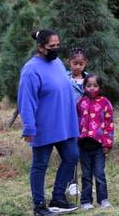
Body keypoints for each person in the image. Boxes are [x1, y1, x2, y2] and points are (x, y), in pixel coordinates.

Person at [18, 29, 79, 215]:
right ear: (41, 47)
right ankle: (39, 205)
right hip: (43, 127)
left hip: (64, 125)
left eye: (57, 45)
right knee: (40, 165)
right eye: (52, 46)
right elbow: (26, 100)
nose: (56, 49)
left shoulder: (58, 63)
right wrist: (29, 128)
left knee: (72, 156)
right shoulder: (30, 70)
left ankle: (58, 197)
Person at [76, 74, 114, 210]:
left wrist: (107, 143)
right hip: (83, 145)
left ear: (100, 87)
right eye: (88, 85)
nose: (92, 88)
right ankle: (86, 201)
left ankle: (103, 199)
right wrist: (75, 139)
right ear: (84, 87)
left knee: (99, 173)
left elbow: (109, 124)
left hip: (98, 146)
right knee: (86, 175)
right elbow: (76, 121)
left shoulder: (105, 102)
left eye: (95, 85)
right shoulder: (81, 102)